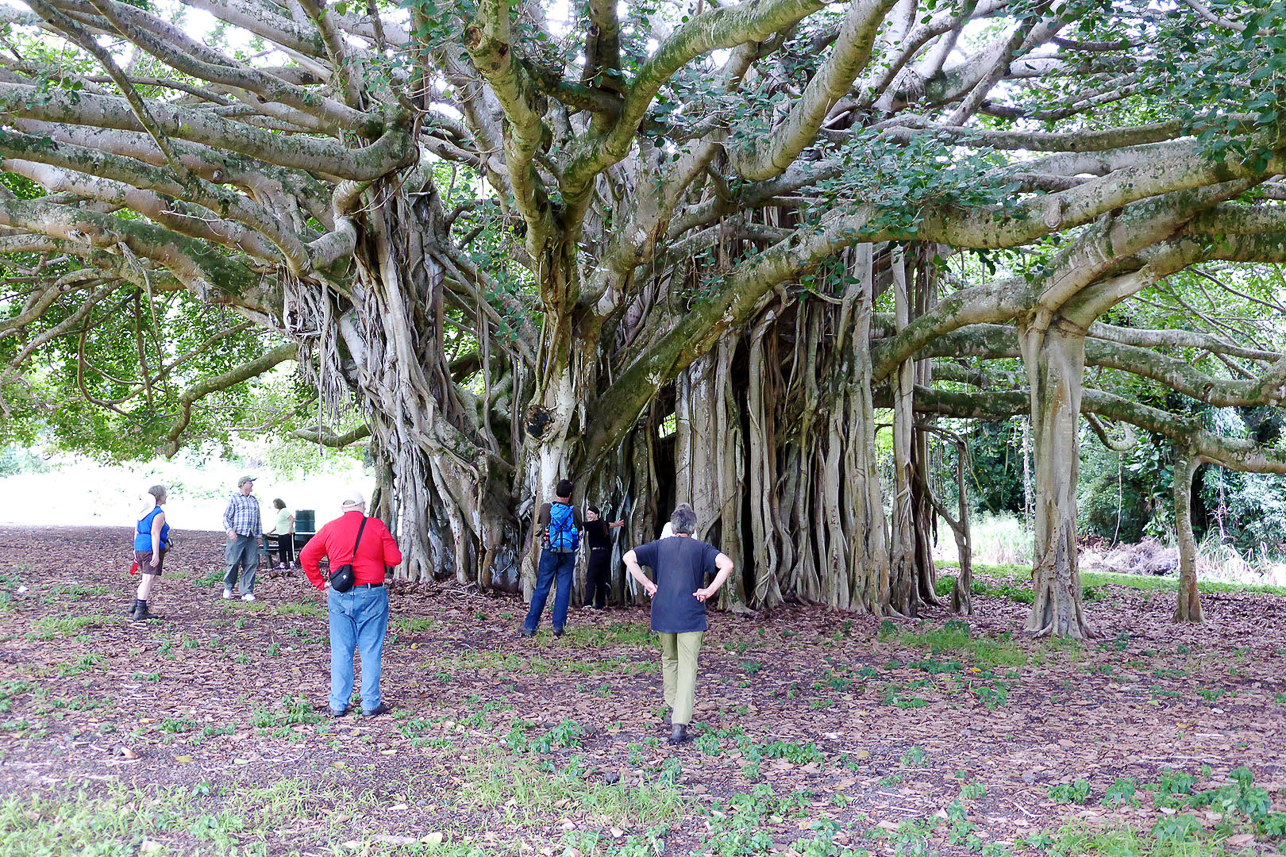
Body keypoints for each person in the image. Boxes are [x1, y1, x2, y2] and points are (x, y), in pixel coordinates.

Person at [623, 503, 734, 744]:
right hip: (690, 615)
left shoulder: (659, 547)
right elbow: (728, 564)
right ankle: (679, 722)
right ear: (694, 528)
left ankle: (673, 708)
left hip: (663, 612)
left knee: (669, 661)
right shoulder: (701, 549)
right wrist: (710, 590)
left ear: (672, 528)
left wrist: (647, 584)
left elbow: (628, 558)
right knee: (687, 666)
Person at [300, 490, 403, 718]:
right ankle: (370, 703)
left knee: (341, 650)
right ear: (364, 505)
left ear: (342, 508)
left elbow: (306, 555)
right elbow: (395, 559)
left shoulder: (330, 528)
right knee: (370, 650)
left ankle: (337, 704)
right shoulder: (376, 526)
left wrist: (320, 583)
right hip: (372, 594)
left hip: (339, 594)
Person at [521, 479, 583, 638]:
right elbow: (579, 527)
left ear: (556, 492)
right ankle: (558, 628)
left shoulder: (546, 508)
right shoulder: (575, 511)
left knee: (542, 587)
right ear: (570, 495)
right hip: (568, 553)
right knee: (563, 590)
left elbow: (540, 524)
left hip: (550, 552)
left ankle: (530, 626)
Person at [129, 485, 170, 622]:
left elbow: (136, 531)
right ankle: (140, 610)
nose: (166, 496)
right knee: (148, 579)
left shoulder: (142, 511)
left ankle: (137, 603)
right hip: (150, 547)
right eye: (165, 494)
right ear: (160, 496)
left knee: (149, 578)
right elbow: (155, 533)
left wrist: (135, 548)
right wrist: (156, 554)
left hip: (140, 546)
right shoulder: (158, 513)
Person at [222, 475, 263, 602]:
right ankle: (228, 587)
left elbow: (258, 520)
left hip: (250, 536)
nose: (252, 485)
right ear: (243, 484)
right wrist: (230, 531)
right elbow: (226, 517)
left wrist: (259, 535)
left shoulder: (254, 500)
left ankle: (247, 591)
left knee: (251, 563)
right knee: (233, 562)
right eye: (250, 482)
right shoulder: (234, 499)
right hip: (237, 535)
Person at [582, 505, 624, 609]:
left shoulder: (591, 525)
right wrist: (618, 524)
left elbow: (580, 525)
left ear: (596, 515)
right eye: (587, 514)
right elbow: (610, 525)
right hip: (605, 555)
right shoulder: (602, 524)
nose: (589, 516)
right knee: (601, 579)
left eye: (591, 514)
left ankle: (588, 603)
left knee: (591, 578)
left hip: (596, 554)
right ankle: (600, 604)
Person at [268, 498, 295, 570]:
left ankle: (291, 563)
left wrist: (290, 529)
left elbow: (292, 519)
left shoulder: (284, 511)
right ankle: (282, 563)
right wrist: (270, 532)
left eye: (275, 503)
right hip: (280, 533)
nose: (274, 505)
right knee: (281, 549)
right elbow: (277, 525)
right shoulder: (278, 513)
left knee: (289, 548)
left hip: (287, 532)